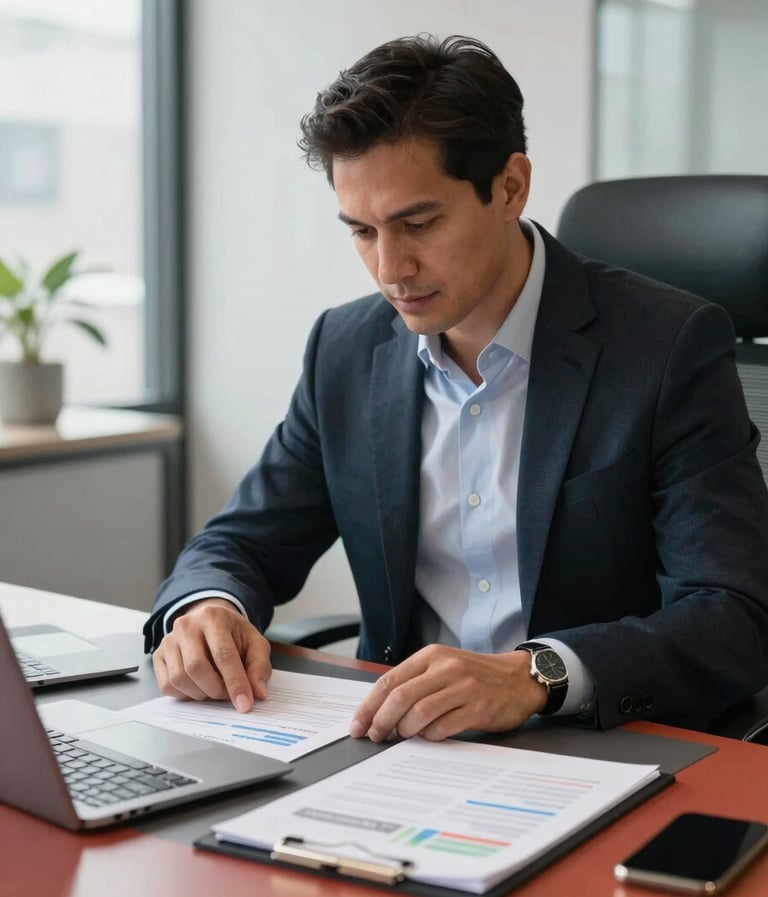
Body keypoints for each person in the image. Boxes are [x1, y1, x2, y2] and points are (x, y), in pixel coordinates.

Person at [144, 34, 768, 741]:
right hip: (396, 748)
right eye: (361, 231)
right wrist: (207, 607)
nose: (390, 267)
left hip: (595, 745)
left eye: (419, 222)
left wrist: (536, 675)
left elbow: (732, 615)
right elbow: (244, 540)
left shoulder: (665, 346)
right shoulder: (345, 349)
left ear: (509, 187)